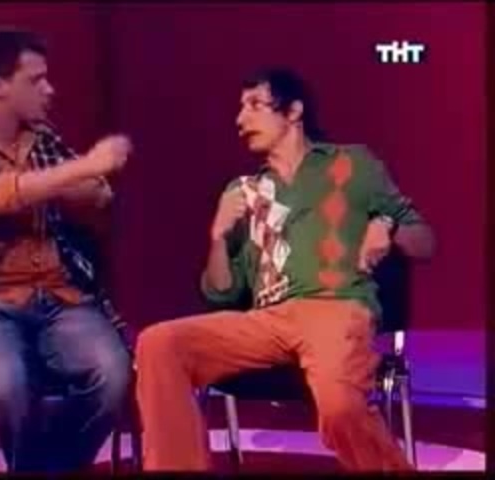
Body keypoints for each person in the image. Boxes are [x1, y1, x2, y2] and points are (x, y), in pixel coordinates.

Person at [134, 67, 435, 472]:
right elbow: (221, 293)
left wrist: (389, 226)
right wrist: (218, 236)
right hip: (267, 320)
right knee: (159, 344)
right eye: (240, 107)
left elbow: (425, 242)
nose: (240, 119)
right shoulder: (243, 191)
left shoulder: (353, 164)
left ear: (294, 111)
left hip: (335, 307)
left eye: (254, 105)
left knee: (340, 408)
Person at [0, 27, 133, 472]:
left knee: (114, 375)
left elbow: (99, 194)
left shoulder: (43, 138)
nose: (49, 89)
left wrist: (73, 180)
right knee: (8, 385)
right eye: (36, 80)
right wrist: (84, 167)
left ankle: (44, 465)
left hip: (61, 297)